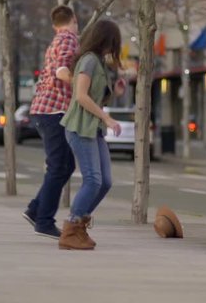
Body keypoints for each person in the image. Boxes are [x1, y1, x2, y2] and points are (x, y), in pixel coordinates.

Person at [59, 20, 126, 250]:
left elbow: (94, 98)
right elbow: (81, 96)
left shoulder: (98, 62)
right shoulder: (88, 60)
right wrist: (107, 118)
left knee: (105, 181)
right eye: (114, 43)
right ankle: (72, 228)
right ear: (105, 40)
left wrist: (114, 94)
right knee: (93, 179)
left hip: (93, 128)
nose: (114, 48)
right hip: (79, 127)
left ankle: (80, 224)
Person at [23, 5, 79, 239]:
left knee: (65, 166)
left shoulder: (56, 39)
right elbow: (62, 70)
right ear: (73, 20)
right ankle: (44, 220)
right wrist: (82, 86)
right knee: (59, 166)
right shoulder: (68, 38)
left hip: (46, 109)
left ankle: (36, 210)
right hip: (53, 110)